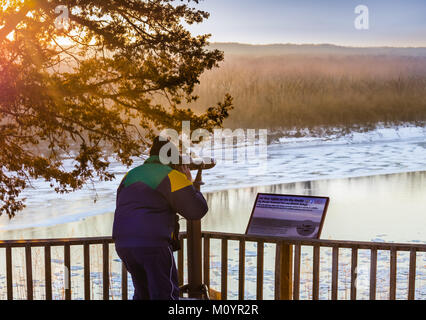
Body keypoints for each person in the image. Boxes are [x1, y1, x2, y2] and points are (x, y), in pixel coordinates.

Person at [112, 136, 208, 300]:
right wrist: (188, 182)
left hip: (124, 244)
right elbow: (197, 210)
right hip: (153, 245)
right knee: (165, 295)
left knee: (143, 294)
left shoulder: (130, 175)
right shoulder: (171, 176)